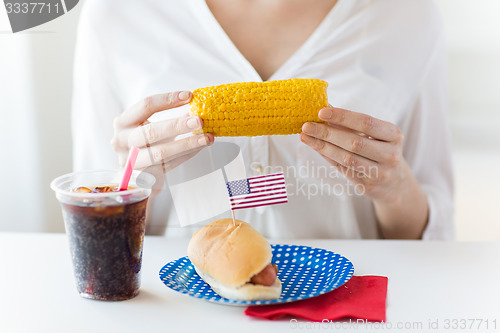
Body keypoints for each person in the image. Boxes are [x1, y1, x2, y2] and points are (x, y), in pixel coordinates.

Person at [72, 0, 454, 239]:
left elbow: (432, 237)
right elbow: (93, 227)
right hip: (179, 309)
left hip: (343, 307)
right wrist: (132, 187)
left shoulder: (409, 15)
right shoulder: (116, 13)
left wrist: (394, 189)